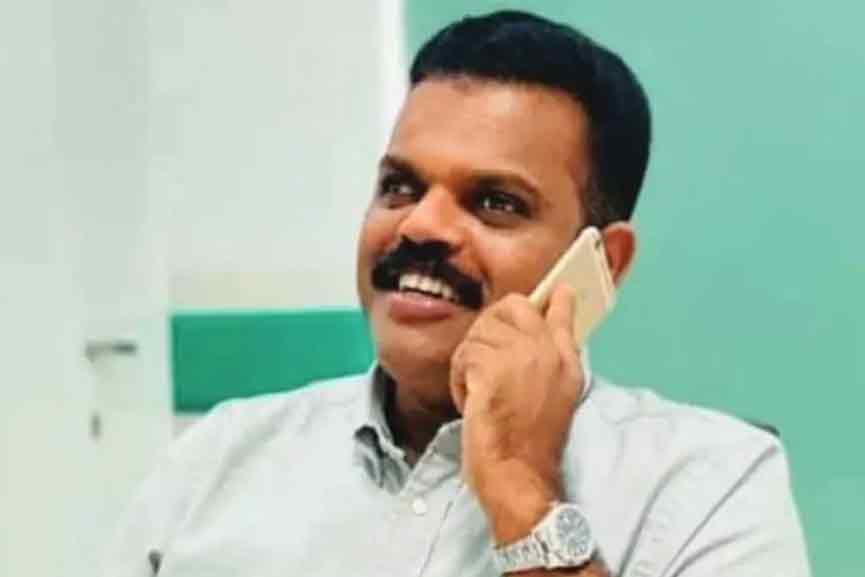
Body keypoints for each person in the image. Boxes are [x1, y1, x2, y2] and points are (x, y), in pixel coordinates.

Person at [104, 10, 811, 577]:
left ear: (602, 262)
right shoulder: (220, 456)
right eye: (399, 186)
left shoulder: (711, 482)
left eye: (495, 201)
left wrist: (523, 489)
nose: (420, 224)